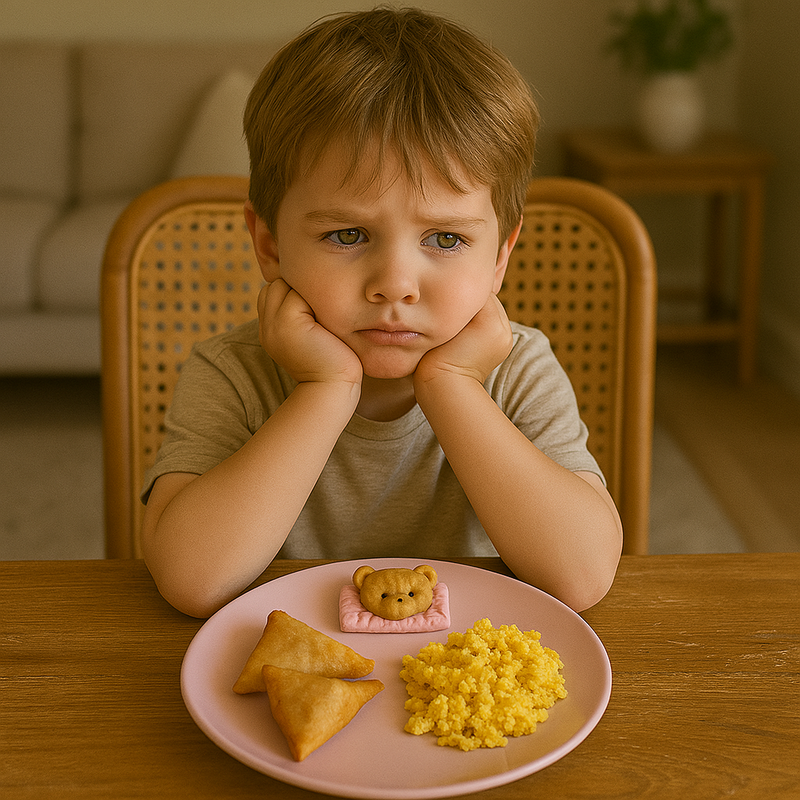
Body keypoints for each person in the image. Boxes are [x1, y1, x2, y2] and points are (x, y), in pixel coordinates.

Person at [141, 6, 622, 618]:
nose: (395, 285)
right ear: (269, 245)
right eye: (347, 235)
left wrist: (450, 385)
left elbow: (581, 576)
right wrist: (325, 388)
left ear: (500, 259)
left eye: (445, 240)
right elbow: (191, 579)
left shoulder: (518, 368)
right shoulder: (232, 372)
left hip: (464, 687)